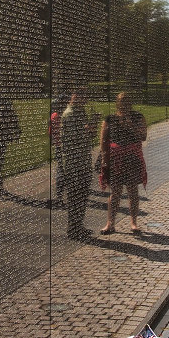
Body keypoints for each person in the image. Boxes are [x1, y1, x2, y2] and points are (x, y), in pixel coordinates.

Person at [99, 92, 147, 235]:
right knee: (115, 192)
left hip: (132, 158)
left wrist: (131, 125)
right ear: (117, 104)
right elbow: (103, 139)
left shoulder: (138, 117)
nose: (124, 105)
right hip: (116, 159)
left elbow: (143, 136)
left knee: (132, 190)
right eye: (122, 102)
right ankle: (110, 223)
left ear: (130, 103)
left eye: (127, 102)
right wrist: (104, 158)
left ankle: (133, 222)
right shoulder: (110, 119)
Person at [62, 89, 99, 241]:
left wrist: (93, 124)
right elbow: (77, 137)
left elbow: (89, 135)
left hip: (83, 160)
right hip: (74, 162)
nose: (86, 101)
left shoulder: (80, 112)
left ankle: (78, 225)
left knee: (83, 195)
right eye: (84, 98)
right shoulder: (70, 114)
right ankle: (73, 228)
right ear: (75, 97)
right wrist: (91, 126)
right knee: (75, 196)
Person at [49, 94, 69, 201]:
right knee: (62, 170)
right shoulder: (63, 116)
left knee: (61, 168)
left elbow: (50, 132)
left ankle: (60, 193)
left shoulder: (54, 115)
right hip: (65, 146)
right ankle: (60, 195)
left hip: (58, 146)